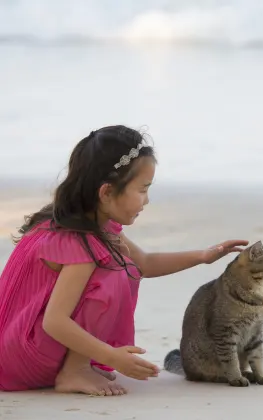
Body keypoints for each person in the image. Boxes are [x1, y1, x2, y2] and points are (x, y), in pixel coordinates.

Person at [0, 125, 248, 396]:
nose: (147, 200)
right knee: (116, 270)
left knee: (126, 265)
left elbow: (145, 262)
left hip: (14, 344)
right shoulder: (81, 242)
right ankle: (75, 371)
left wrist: (203, 256)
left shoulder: (81, 222)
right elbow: (54, 322)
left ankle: (77, 364)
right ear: (106, 193)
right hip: (22, 358)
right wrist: (112, 357)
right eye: (142, 189)